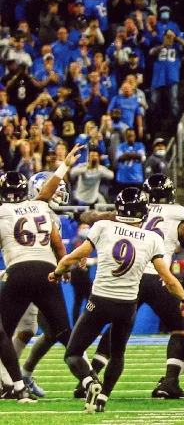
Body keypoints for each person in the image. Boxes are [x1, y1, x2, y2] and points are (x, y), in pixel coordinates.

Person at [84, 174, 184, 399]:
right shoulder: (177, 216)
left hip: (130, 277)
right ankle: (170, 382)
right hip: (158, 277)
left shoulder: (129, 212)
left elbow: (94, 217)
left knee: (117, 326)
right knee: (181, 327)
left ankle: (91, 376)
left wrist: (86, 215)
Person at [49, 187, 184, 414]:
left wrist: (57, 272)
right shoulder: (153, 238)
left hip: (100, 301)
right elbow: (169, 278)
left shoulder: (103, 227)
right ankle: (103, 397)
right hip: (127, 305)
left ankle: (89, 382)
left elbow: (75, 256)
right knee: (117, 354)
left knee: (73, 353)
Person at [0, 144, 84, 403]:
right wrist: (64, 165)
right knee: (47, 330)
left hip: (20, 274)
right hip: (46, 274)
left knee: (25, 330)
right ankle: (88, 376)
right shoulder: (38, 207)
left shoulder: (8, 210)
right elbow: (58, 242)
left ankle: (15, 380)